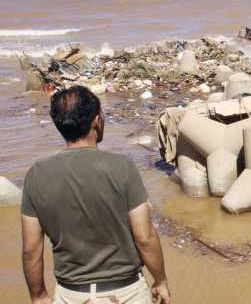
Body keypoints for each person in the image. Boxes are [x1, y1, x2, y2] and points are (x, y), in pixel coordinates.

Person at [21, 86, 170, 304]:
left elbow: (31, 248)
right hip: (125, 293)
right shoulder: (122, 167)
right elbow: (145, 237)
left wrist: (38, 296)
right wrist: (160, 280)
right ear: (96, 121)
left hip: (71, 294)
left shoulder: (36, 175)